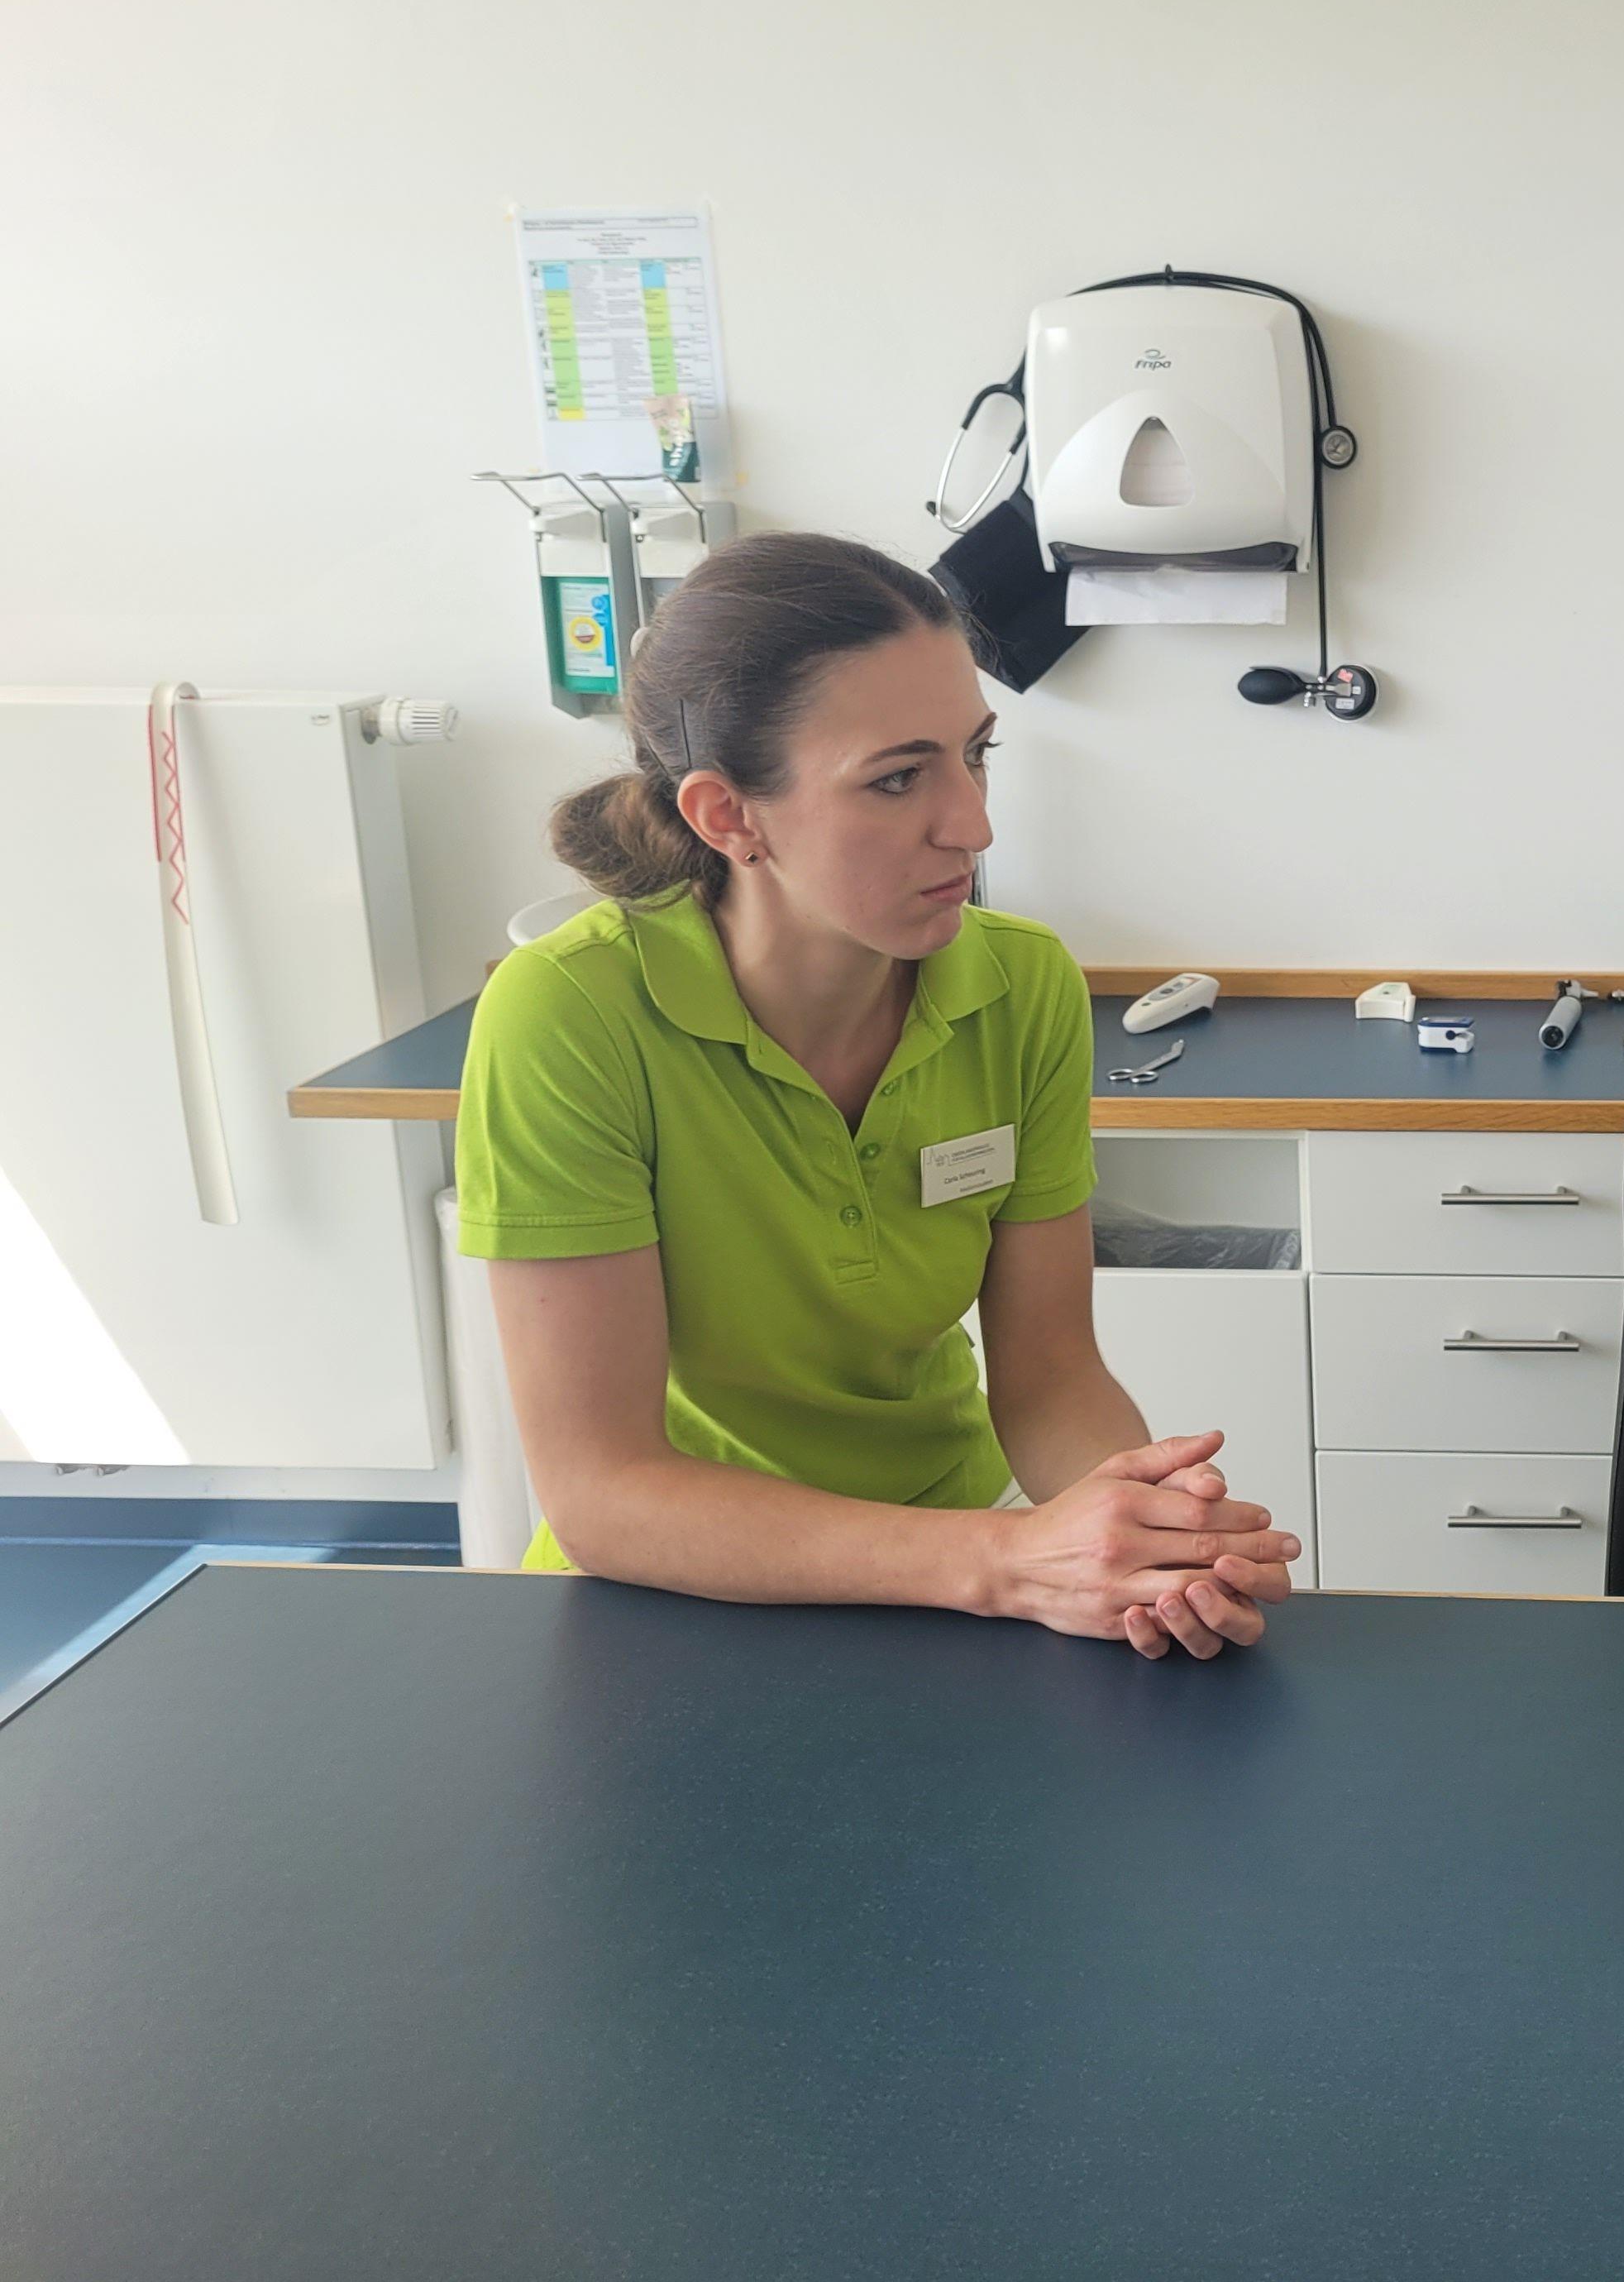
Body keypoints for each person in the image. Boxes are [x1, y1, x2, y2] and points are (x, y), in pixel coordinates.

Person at [458, 533, 1297, 1658]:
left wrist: (1142, 1537)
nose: (974, 824)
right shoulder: (567, 1015)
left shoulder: (1020, 984)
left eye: (975, 755)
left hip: (952, 1573)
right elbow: (605, 1491)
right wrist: (1008, 1564)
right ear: (728, 818)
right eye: (899, 779)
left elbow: (1049, 1375)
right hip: (673, 1605)